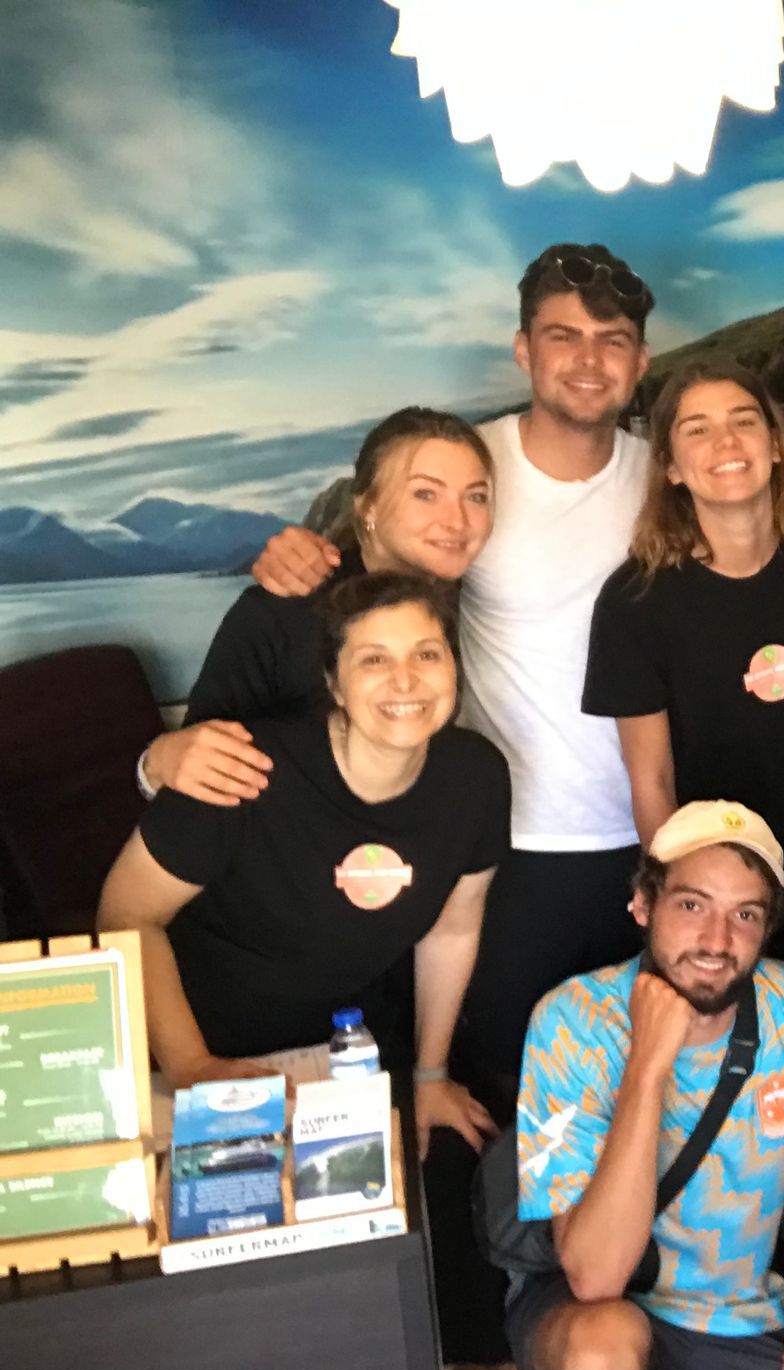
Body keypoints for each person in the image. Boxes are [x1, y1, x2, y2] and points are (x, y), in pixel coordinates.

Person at [247, 243, 656, 1097]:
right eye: (562, 335)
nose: (588, 359)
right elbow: (367, 552)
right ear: (523, 349)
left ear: (641, 360)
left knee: (640, 1080)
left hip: (653, 831)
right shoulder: (472, 464)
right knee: (509, 1083)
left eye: (612, 339)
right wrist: (293, 549)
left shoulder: (668, 473)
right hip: (507, 842)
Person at [514, 800, 784, 1370]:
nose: (716, 942)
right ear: (644, 905)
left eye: (744, 915)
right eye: (692, 905)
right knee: (606, 1355)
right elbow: (593, 1277)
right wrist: (647, 1065)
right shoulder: (572, 1021)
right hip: (586, 1310)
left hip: (735, 1323)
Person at [98, 572, 504, 1158]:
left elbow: (453, 929)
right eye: (373, 659)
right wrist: (192, 1065)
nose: (405, 679)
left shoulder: (477, 779)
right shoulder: (243, 768)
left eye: (427, 653)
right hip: (202, 1054)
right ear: (333, 684)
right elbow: (125, 914)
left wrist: (429, 1077)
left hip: (346, 1056)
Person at [582, 363, 784, 1012]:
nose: (726, 444)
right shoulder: (636, 600)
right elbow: (652, 779)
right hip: (722, 868)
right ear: (670, 466)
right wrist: (681, 896)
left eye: (743, 422)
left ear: (777, 446)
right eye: (698, 430)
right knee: (741, 1070)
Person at [138, 407, 494, 806]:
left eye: (476, 496)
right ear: (368, 507)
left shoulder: (481, 601)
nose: (458, 520)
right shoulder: (280, 611)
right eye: (426, 494)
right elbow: (193, 763)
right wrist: (155, 764)